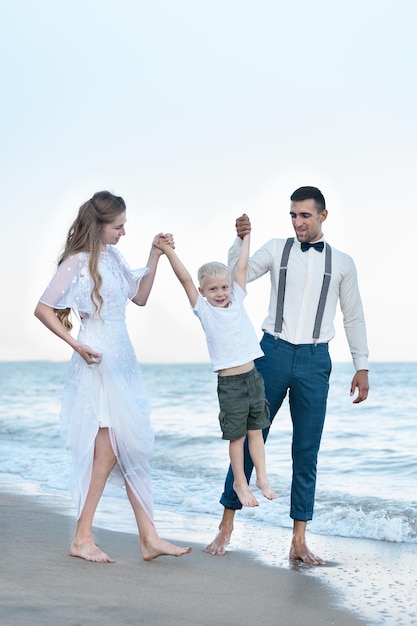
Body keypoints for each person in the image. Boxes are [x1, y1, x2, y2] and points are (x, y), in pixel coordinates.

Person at [205, 186, 369, 565]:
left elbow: (353, 315)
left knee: (306, 451)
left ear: (322, 216)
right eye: (293, 215)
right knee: (250, 439)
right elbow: (236, 277)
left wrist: (361, 364)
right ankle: (226, 523)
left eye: (305, 216)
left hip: (316, 359)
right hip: (272, 353)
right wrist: (241, 239)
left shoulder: (342, 263)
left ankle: (298, 539)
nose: (297, 222)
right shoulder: (277, 249)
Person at [34, 190, 192, 563]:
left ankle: (148, 537)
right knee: (109, 450)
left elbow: (140, 297)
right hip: (97, 357)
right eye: (118, 226)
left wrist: (155, 255)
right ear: (99, 225)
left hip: (123, 357)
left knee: (130, 446)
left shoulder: (116, 257)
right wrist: (76, 344)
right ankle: (82, 537)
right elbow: (43, 308)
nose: (124, 231)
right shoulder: (76, 262)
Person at [156, 230, 277, 508]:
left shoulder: (238, 299)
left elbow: (242, 266)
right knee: (237, 437)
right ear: (202, 293)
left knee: (257, 430)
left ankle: (262, 478)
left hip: (253, 378)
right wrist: (168, 251)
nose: (220, 293)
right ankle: (240, 482)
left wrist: (246, 237)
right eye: (213, 289)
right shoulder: (204, 309)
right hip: (231, 385)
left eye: (224, 287)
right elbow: (185, 278)